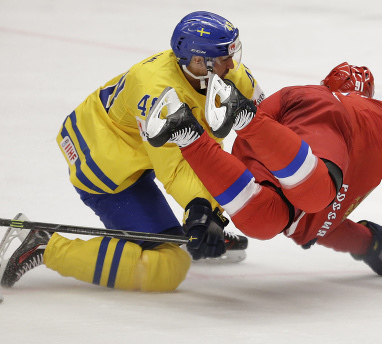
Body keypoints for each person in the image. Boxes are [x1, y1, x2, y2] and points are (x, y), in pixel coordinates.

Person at [1, 11, 264, 292]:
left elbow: (267, 124)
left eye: (232, 54)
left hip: (138, 149)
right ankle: (44, 245)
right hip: (105, 162)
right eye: (224, 58)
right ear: (199, 61)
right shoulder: (157, 94)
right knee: (167, 268)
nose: (232, 64)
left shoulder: (226, 73)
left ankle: (185, 229)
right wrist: (204, 214)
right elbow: (175, 168)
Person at [145, 62, 382, 279]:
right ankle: (243, 116)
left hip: (274, 143)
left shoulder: (308, 95)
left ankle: (187, 134)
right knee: (318, 193)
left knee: (265, 220)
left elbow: (320, 225)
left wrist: (371, 244)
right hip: (298, 137)